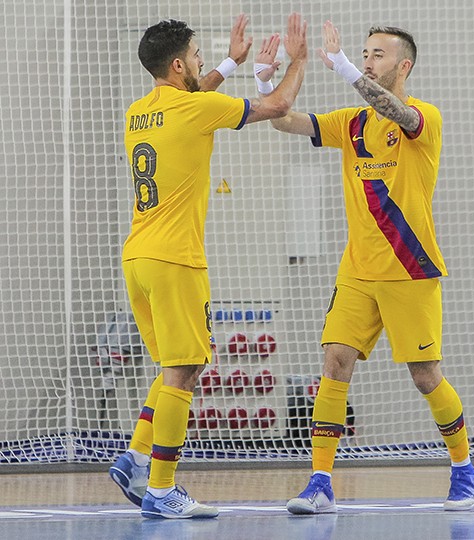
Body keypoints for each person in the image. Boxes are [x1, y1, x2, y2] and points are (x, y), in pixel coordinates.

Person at [254, 20, 474, 514]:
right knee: (335, 362)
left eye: (377, 55)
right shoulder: (351, 123)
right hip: (357, 271)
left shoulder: (424, 117)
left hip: (410, 268)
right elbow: (284, 121)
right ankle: (319, 483)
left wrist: (340, 67)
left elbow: (395, 110)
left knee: (425, 376)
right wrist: (264, 80)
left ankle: (465, 468)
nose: (367, 60)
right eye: (363, 53)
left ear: (404, 65)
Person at [108, 13, 310, 519]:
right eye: (197, 56)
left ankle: (135, 456)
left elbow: (197, 96)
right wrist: (299, 59)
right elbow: (280, 105)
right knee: (184, 371)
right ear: (178, 65)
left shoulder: (140, 110)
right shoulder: (196, 110)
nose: (202, 63)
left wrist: (229, 62)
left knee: (175, 367)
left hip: (138, 257)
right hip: (176, 259)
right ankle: (161, 488)